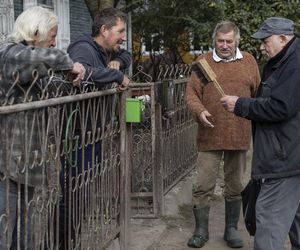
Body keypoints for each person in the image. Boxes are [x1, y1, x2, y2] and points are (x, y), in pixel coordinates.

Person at [0, 6, 85, 250]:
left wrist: (70, 77)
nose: (55, 41)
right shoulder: (9, 52)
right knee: (4, 230)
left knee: (24, 231)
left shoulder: (27, 60)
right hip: (8, 163)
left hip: (26, 162)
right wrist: (70, 64)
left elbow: (52, 85)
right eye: (53, 34)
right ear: (36, 32)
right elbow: (51, 58)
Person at [221, 17, 300, 250]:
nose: (262, 46)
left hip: (285, 158)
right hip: (289, 153)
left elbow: (280, 107)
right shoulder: (282, 61)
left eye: (266, 41)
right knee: (295, 216)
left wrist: (241, 105)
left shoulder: (294, 64)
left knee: (269, 219)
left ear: (283, 39)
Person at [58, 7, 132, 249]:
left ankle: (72, 239)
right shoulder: (83, 48)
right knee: (73, 194)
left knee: (83, 191)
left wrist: (118, 62)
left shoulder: (105, 50)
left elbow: (128, 55)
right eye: (120, 31)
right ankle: (61, 242)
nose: (123, 37)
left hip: (94, 132)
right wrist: (115, 76)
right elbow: (79, 73)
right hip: (79, 135)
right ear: (104, 30)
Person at [186, 20, 260, 248]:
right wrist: (200, 112)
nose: (225, 45)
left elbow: (258, 94)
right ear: (214, 41)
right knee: (203, 184)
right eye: (220, 41)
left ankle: (231, 229)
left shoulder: (248, 61)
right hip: (209, 135)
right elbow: (191, 95)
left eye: (229, 41)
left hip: (239, 133)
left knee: (235, 184)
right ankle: (201, 230)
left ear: (236, 41)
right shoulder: (203, 63)